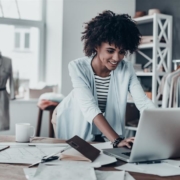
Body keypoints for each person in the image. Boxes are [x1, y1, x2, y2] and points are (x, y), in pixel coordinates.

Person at [52, 10, 156, 148]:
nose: (116, 58)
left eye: (122, 52)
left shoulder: (126, 69)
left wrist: (161, 125)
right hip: (70, 115)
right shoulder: (77, 67)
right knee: (75, 158)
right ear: (96, 45)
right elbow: (90, 107)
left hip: (99, 124)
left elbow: (143, 103)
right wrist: (117, 140)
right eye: (110, 51)